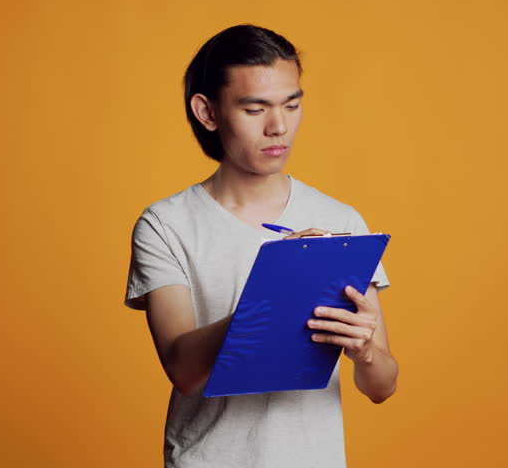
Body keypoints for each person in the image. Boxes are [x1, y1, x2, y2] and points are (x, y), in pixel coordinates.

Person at [125, 24, 398, 468]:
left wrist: (366, 351)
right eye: (255, 109)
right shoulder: (166, 224)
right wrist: (274, 290)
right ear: (208, 112)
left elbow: (382, 386)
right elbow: (182, 370)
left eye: (292, 105)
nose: (279, 127)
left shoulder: (340, 221)